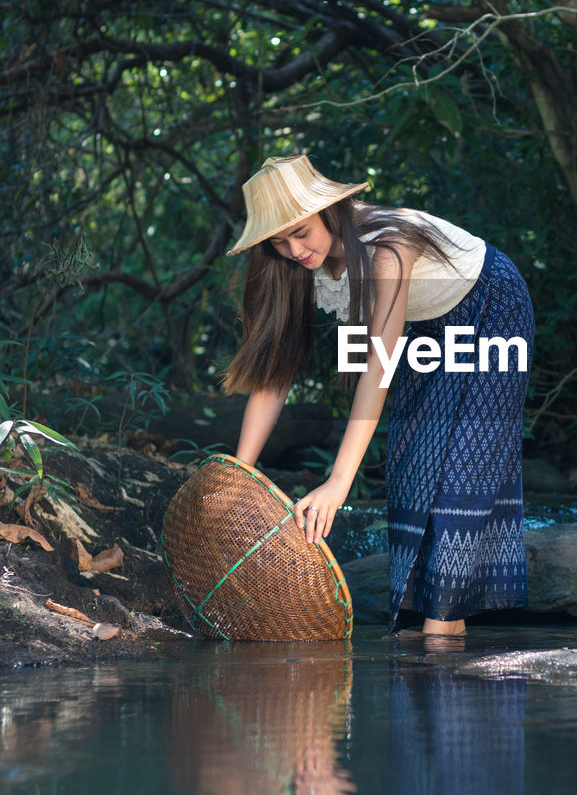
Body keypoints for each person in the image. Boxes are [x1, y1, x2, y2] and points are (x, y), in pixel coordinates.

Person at [223, 153, 534, 636]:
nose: (294, 249)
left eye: (301, 232)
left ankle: (441, 634)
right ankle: (427, 639)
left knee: (462, 470)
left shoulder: (388, 246)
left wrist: (337, 483)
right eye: (279, 241)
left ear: (329, 211)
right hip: (429, 323)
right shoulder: (293, 265)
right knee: (414, 466)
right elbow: (274, 372)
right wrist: (241, 473)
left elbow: (377, 371)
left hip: (492, 305)